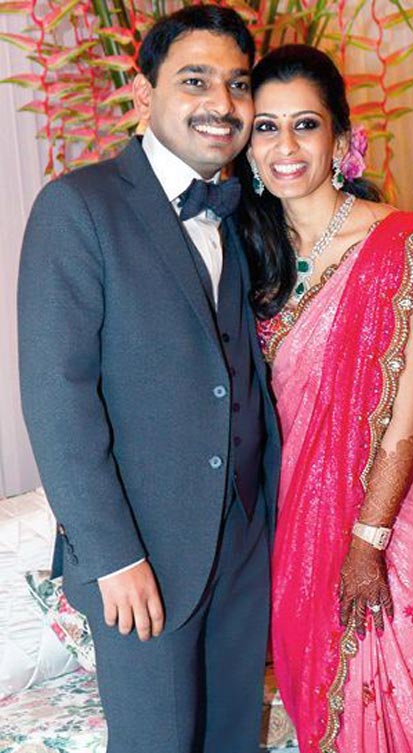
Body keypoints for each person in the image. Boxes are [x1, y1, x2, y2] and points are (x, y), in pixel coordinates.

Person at [237, 45, 413, 753]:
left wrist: (368, 542)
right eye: (267, 127)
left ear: (340, 139)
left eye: (305, 124)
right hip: (299, 531)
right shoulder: (248, 261)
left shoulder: (402, 243)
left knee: (405, 703)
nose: (286, 145)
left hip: (393, 528)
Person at [18, 6, 280, 753]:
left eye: (237, 84)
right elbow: (58, 398)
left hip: (245, 538)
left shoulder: (246, 211)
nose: (221, 103)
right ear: (143, 93)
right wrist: (113, 556)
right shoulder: (79, 206)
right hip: (143, 555)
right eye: (195, 80)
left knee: (234, 738)